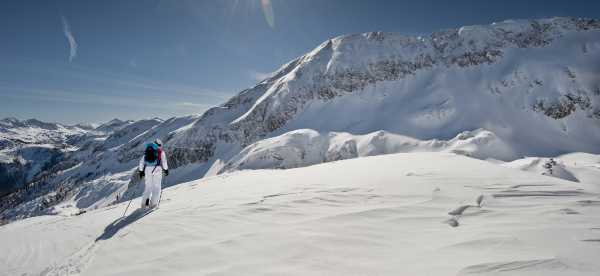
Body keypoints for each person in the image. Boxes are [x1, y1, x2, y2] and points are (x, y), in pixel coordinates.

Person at [138, 138, 168, 209]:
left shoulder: (147, 150)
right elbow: (164, 162)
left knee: (148, 187)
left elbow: (141, 162)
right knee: (156, 187)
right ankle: (153, 205)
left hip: (147, 169)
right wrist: (166, 170)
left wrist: (141, 171)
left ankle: (144, 205)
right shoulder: (161, 152)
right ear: (160, 145)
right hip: (157, 169)